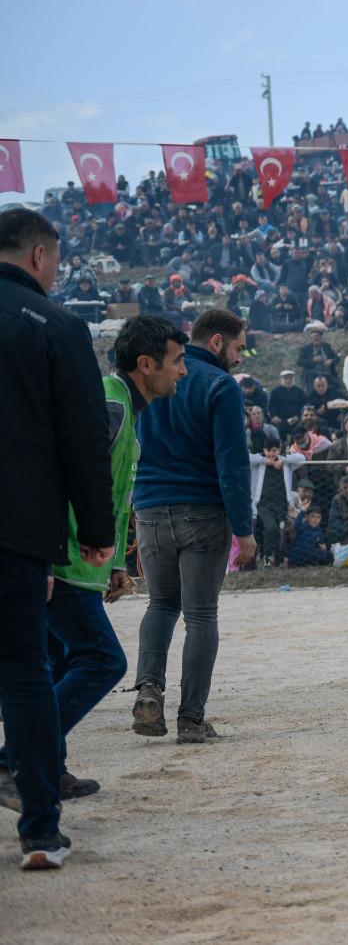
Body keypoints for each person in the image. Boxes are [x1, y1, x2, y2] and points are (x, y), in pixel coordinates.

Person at [2, 316, 188, 809]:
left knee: (58, 662)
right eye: (177, 361)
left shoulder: (121, 404)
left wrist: (114, 566)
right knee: (103, 659)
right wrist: (41, 557)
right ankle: (14, 759)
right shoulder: (108, 402)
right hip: (59, 561)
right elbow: (60, 476)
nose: (183, 372)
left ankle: (48, 767)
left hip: (77, 564)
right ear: (145, 364)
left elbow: (109, 489)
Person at [0, 208, 115, 870]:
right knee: (24, 675)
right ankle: (40, 832)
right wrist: (95, 532)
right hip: (17, 529)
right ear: (41, 256)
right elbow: (82, 439)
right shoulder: (58, 326)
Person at [131, 308, 255, 744]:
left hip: (148, 508)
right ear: (217, 341)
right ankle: (191, 718)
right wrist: (245, 528)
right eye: (239, 347)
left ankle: (148, 690)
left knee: (161, 605)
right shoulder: (220, 385)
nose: (240, 358)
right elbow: (232, 463)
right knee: (201, 615)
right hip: (202, 511)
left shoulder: (149, 380)